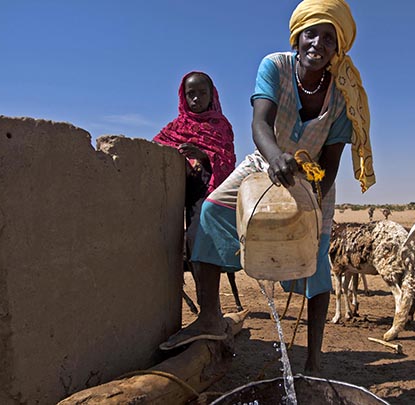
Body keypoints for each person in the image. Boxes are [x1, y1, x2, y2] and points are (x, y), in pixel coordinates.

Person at [162, 0, 374, 375]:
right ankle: (210, 317)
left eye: (328, 38)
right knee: (211, 213)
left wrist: (311, 203)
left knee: (316, 257)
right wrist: (276, 157)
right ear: (297, 37)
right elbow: (260, 123)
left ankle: (312, 360)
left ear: (337, 47)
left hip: (313, 179)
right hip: (265, 162)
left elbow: (332, 158)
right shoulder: (274, 66)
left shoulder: (343, 95)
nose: (318, 44)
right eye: (311, 34)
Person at [151, 71, 237, 311]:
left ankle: (209, 308)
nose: (196, 99)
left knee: (197, 240)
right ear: (183, 97)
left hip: (206, 195)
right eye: (191, 94)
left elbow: (227, 162)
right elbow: (157, 146)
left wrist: (203, 156)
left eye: (202, 93)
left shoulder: (220, 126)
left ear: (212, 95)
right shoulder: (175, 127)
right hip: (175, 194)